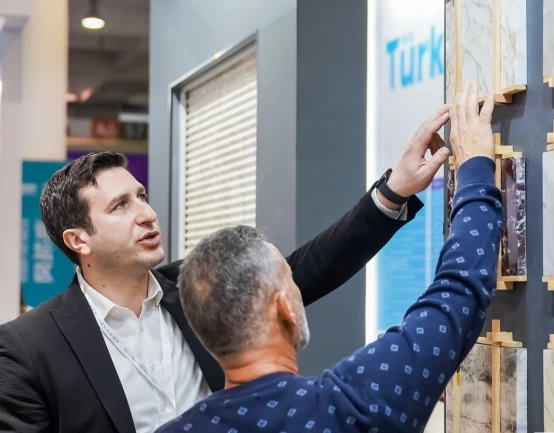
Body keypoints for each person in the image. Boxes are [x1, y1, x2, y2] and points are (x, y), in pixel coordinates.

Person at [0, 98, 447, 433]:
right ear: (78, 240)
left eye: (142, 197)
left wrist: (394, 192)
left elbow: (310, 267)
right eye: (120, 206)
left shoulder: (196, 288)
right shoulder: (27, 348)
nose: (147, 214)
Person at [155, 81, 501, 433]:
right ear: (284, 307)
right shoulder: (350, 407)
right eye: (289, 277)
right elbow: (459, 292)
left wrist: (392, 192)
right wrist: (474, 168)